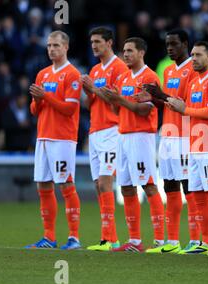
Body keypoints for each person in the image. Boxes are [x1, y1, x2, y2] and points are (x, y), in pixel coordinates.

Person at [166, 41, 208, 255]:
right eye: (192, 55)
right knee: (196, 194)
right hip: (195, 145)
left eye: (198, 55)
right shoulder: (194, 80)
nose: (193, 58)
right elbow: (184, 106)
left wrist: (185, 109)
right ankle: (206, 242)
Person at [100, 37, 165, 252]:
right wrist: (113, 100)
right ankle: (135, 240)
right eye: (124, 51)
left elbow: (144, 110)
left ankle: (160, 241)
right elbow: (118, 111)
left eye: (129, 51)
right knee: (126, 187)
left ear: (141, 53)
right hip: (123, 134)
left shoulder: (149, 77)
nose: (125, 54)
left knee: (148, 184)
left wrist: (119, 100)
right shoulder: (124, 77)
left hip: (141, 136)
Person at [142, 29, 200, 254]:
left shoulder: (193, 70)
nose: (169, 48)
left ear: (185, 44)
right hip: (167, 133)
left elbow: (186, 103)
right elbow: (167, 104)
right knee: (169, 185)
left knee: (189, 187)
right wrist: (153, 98)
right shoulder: (167, 71)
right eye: (167, 44)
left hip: (185, 136)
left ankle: (196, 241)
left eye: (174, 44)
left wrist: (160, 95)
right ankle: (173, 241)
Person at [25, 31, 82, 250]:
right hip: (43, 136)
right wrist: (38, 100)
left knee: (66, 185)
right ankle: (49, 237)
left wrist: (45, 97)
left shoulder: (72, 74)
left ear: (66, 47)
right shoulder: (43, 74)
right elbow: (34, 110)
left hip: (63, 138)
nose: (51, 49)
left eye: (56, 45)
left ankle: (74, 237)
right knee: (43, 185)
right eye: (49, 45)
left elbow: (69, 109)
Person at [82, 27, 128, 251]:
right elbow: (91, 104)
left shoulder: (119, 68)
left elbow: (116, 101)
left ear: (109, 43)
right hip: (95, 130)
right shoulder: (94, 69)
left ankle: (108, 239)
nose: (94, 46)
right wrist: (88, 92)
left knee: (105, 181)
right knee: (97, 185)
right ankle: (111, 238)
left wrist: (93, 89)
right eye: (92, 42)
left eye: (98, 42)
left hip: (112, 130)